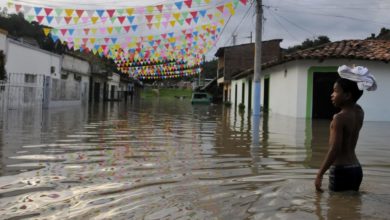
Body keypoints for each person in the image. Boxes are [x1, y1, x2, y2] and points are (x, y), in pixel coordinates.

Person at [315, 65, 377, 192]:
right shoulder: (359, 112)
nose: (332, 95)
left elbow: (334, 149)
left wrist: (320, 174)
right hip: (356, 169)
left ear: (347, 95)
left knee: (335, 208)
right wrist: (354, 78)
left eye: (336, 91)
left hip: (341, 171)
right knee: (352, 206)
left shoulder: (339, 118)